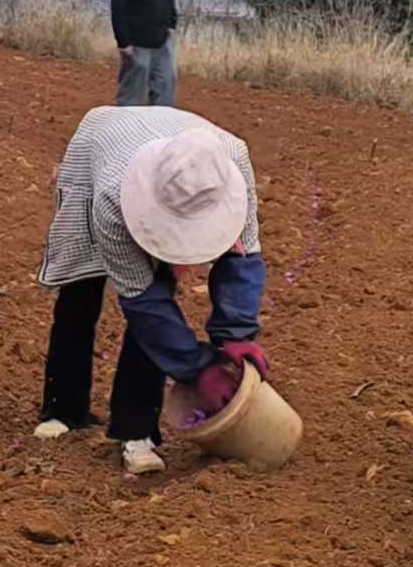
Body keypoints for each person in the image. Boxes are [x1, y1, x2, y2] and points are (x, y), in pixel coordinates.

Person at [35, 107, 266, 476]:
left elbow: (242, 256)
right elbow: (142, 301)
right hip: (100, 150)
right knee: (81, 292)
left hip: (167, 152)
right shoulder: (111, 194)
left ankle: (137, 431)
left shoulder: (234, 161)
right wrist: (192, 367)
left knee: (161, 286)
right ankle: (63, 408)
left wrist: (235, 336)